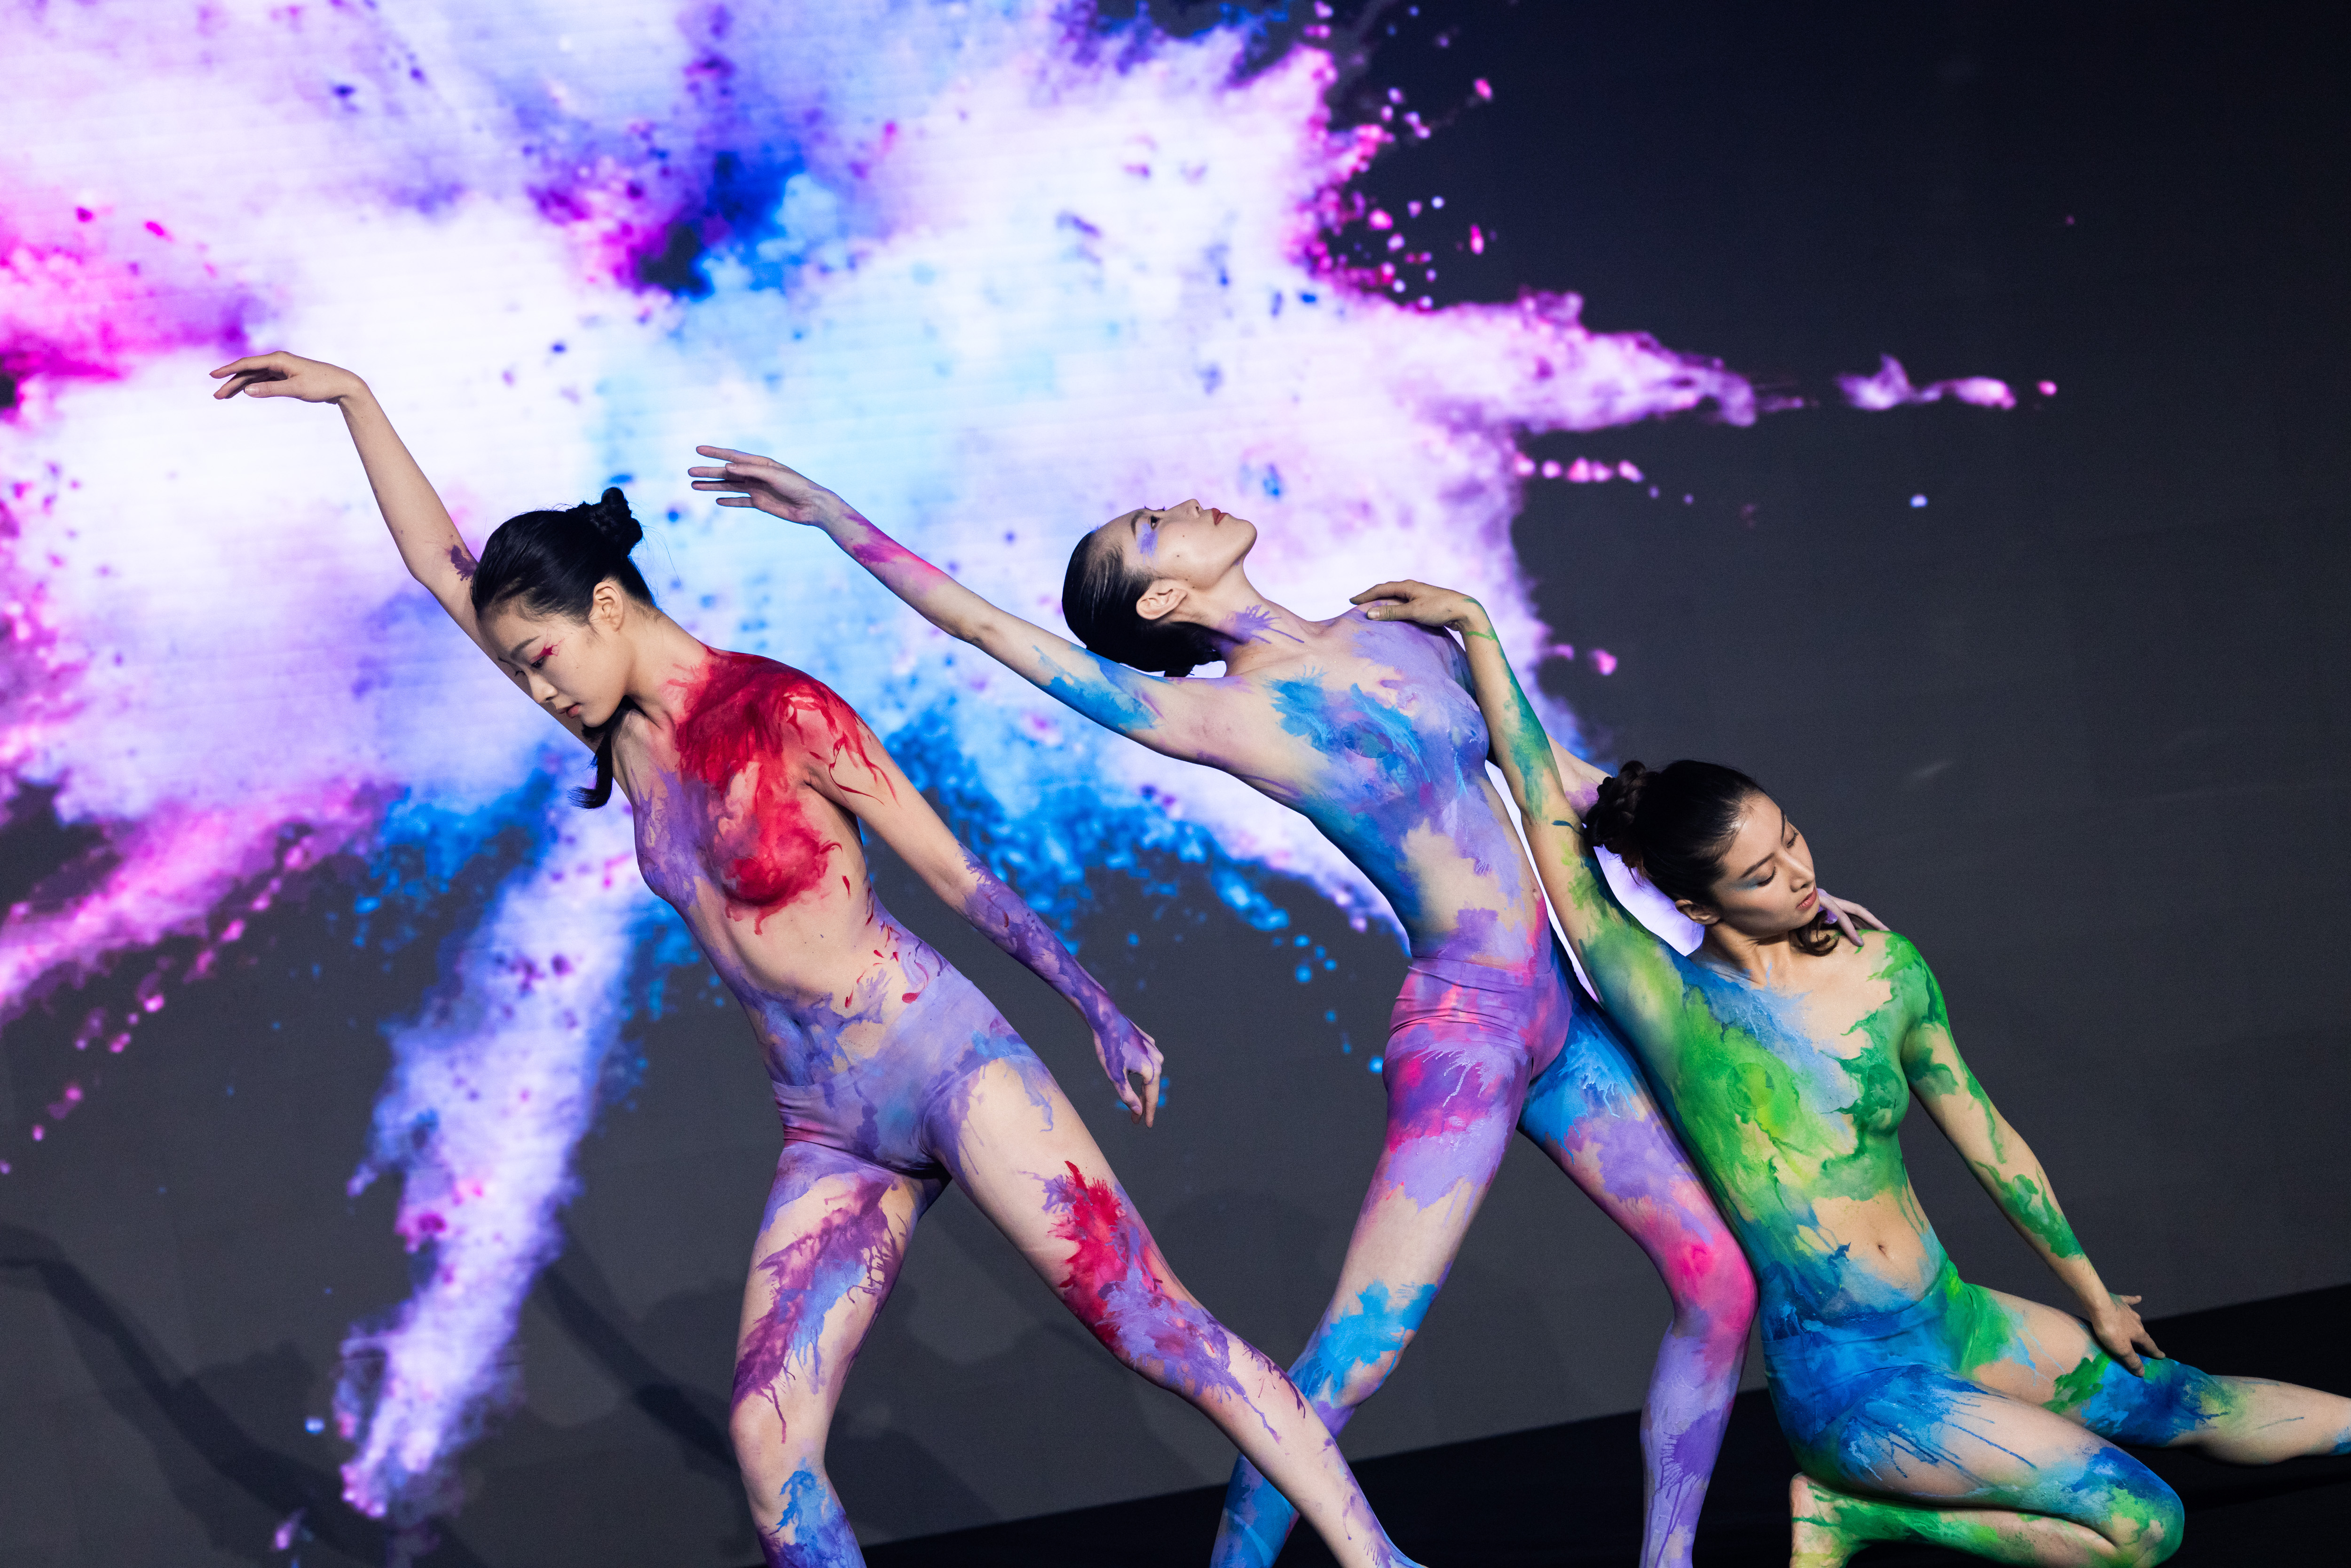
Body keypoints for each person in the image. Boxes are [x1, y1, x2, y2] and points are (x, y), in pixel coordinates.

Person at [207, 352, 1429, 1568]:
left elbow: (954, 872)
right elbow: (444, 568)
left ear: (608, 610)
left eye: (541, 657)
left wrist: (1096, 1007)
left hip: (944, 1066)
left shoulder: (783, 711)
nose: (537, 687)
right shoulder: (616, 728)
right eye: (523, 665)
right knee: (767, 1441)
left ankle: (1376, 1560)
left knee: (1152, 1327)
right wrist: (358, 399)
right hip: (828, 1126)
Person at [683, 454, 1878, 1567]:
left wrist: (1778, 896)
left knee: (1719, 1283)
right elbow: (992, 632)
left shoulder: (1397, 629)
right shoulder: (1221, 716)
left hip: (1559, 1015)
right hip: (1465, 1038)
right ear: (1161, 603)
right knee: (1354, 1359)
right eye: (1154, 528)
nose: (1184, 504)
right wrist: (836, 520)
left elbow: (1562, 784)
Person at [1354, 575, 2351, 1568]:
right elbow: (1545, 810)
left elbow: (1988, 1137)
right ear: (1697, 906)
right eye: (1760, 875)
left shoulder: (1883, 971)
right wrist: (1476, 630)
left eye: (1790, 839)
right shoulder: (1667, 1000)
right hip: (1849, 1385)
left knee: (2182, 1400)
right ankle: (1856, 1514)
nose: (1798, 875)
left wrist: (2089, 1290)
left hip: (1955, 1320)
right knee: (2145, 1526)